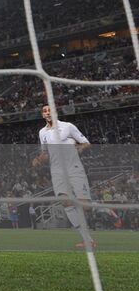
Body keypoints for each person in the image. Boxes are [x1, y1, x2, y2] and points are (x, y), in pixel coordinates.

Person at [33, 104, 94, 248]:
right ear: (42, 115)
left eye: (49, 110)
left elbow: (86, 143)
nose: (47, 113)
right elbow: (45, 153)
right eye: (44, 111)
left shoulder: (68, 126)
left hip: (74, 168)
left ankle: (105, 211)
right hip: (57, 171)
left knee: (86, 206)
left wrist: (80, 148)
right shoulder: (42, 132)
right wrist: (38, 159)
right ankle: (87, 240)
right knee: (65, 201)